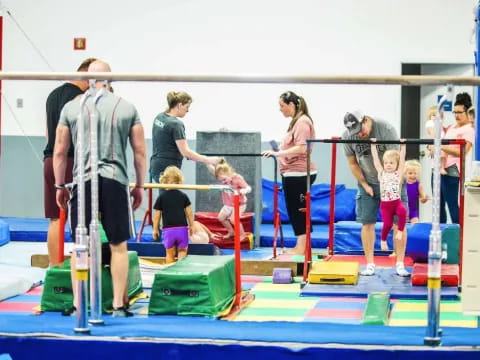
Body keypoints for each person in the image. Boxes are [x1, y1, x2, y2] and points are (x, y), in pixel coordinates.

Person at [53, 60, 147, 317]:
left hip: (82, 182)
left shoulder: (71, 107)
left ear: (86, 79)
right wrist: (139, 185)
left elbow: (60, 152)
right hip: (115, 181)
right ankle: (118, 304)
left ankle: (78, 303)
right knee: (118, 244)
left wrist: (60, 185)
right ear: (111, 79)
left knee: (81, 244)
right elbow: (139, 152)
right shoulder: (126, 107)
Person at [342, 110, 409, 276]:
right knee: (367, 223)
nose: (360, 134)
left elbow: (398, 161)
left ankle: (400, 263)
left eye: (361, 129)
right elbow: (352, 163)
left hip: (392, 184)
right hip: (369, 182)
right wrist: (365, 185)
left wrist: (394, 188)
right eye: (355, 132)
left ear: (366, 119)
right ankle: (370, 264)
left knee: (398, 223)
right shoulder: (348, 136)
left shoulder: (385, 129)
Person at [43, 57, 97, 266]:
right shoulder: (80, 98)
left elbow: (49, 132)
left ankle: (54, 267)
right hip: (71, 160)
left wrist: (55, 156)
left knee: (56, 218)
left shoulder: (52, 95)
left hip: (51, 158)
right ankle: (83, 267)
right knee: (81, 219)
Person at [262, 91, 316, 255]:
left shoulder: (302, 122)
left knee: (298, 209)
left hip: (299, 174)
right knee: (295, 209)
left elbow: (302, 147)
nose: (280, 109)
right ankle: (302, 246)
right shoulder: (296, 122)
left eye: (282, 105)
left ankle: (302, 247)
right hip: (292, 173)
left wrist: (278, 154)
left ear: (291, 104)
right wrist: (279, 150)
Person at [149, 91, 218, 184]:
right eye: (187, 107)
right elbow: (186, 152)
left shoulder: (159, 117)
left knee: (166, 198)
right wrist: (207, 159)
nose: (188, 110)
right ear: (180, 105)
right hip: (167, 172)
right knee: (171, 198)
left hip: (155, 167)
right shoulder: (176, 125)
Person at [437, 93, 475, 223]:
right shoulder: (452, 127)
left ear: (467, 112)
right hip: (441, 167)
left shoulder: (469, 129)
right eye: (454, 112)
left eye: (460, 112)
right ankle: (442, 235)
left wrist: (440, 146)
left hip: (454, 170)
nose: (456, 115)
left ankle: (459, 237)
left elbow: (462, 152)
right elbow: (443, 145)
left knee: (452, 205)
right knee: (439, 206)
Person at [371, 140, 408, 255]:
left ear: (396, 165)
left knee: (403, 211)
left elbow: (402, 159)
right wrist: (373, 146)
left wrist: (403, 146)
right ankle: (383, 240)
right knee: (387, 224)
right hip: (385, 205)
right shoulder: (381, 173)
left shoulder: (398, 173)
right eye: (386, 163)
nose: (388, 165)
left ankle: (400, 231)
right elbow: (376, 161)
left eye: (391, 163)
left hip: (396, 202)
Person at [152, 166, 194, 263]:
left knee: (169, 253)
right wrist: (192, 225)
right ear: (179, 181)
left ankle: (170, 273)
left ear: (164, 181)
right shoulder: (183, 196)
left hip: (168, 231)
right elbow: (189, 213)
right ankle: (180, 271)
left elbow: (157, 216)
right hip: (182, 229)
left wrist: (155, 229)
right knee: (182, 251)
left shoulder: (161, 197)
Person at [207, 158, 251, 239]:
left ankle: (242, 234)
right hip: (228, 204)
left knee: (233, 219)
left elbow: (248, 187)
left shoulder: (237, 178)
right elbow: (213, 171)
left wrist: (243, 191)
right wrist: (206, 162)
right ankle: (231, 232)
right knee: (221, 218)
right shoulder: (222, 176)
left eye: (224, 179)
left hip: (239, 204)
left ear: (229, 173)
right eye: (221, 180)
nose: (223, 182)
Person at [404, 160, 429, 224]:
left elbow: (422, 200)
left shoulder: (418, 185)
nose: (413, 175)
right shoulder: (402, 184)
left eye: (415, 173)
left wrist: (425, 199)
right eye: (410, 173)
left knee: (415, 225)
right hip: (402, 209)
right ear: (405, 174)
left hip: (413, 211)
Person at [425, 106, 447, 175]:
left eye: (438, 116)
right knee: (437, 156)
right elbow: (433, 134)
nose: (436, 117)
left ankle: (442, 167)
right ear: (430, 117)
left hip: (441, 143)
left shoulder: (441, 125)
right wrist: (433, 145)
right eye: (434, 115)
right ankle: (439, 168)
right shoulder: (430, 122)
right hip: (436, 142)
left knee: (443, 155)